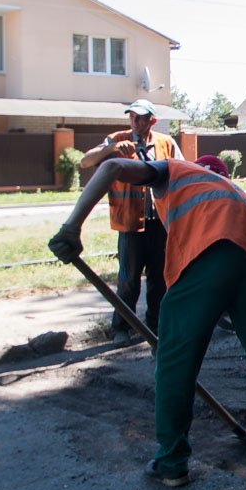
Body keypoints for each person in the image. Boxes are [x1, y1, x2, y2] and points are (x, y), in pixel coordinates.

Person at [48, 156, 246, 487]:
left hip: (210, 252)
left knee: (174, 360)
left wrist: (71, 227)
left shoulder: (173, 170)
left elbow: (111, 166)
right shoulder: (237, 193)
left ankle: (172, 462)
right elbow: (238, 266)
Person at [80, 99, 181, 345]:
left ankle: (155, 326)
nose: (136, 122)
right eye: (132, 117)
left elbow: (181, 168)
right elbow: (86, 160)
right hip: (130, 223)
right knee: (128, 281)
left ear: (152, 121)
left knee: (159, 279)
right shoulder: (116, 139)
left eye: (141, 118)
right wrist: (111, 149)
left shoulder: (165, 143)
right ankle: (121, 328)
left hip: (159, 223)